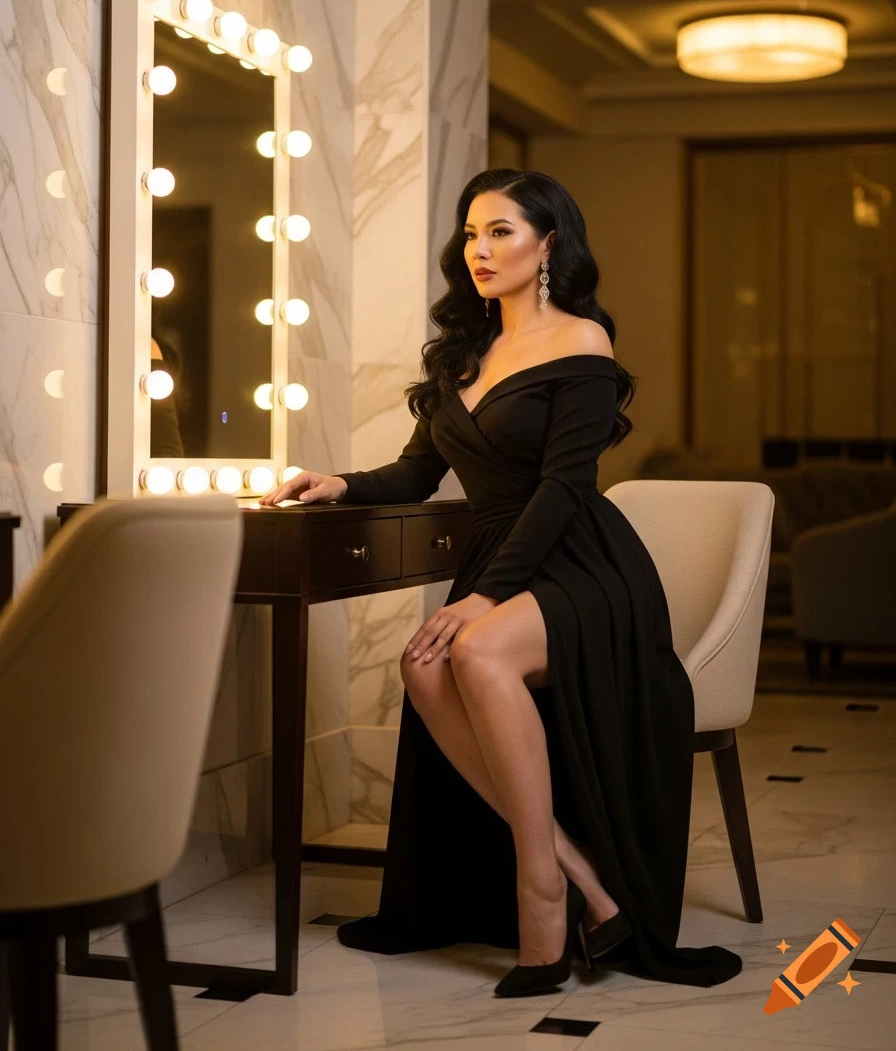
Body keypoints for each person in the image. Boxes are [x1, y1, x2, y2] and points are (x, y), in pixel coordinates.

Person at [261, 169, 742, 996]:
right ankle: (582, 879)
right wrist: (339, 483)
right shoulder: (461, 354)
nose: (478, 251)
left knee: (475, 656)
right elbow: (416, 474)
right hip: (497, 561)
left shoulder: (583, 342)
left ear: (549, 243)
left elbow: (562, 489)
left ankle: (541, 895)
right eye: (471, 235)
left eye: (502, 233)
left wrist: (483, 596)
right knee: (421, 665)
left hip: (583, 564)